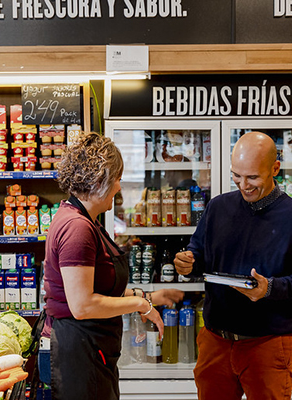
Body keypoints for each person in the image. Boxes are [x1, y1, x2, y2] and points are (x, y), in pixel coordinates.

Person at [174, 131, 292, 400]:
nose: (243, 185)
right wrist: (187, 262)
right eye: (237, 175)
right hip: (215, 341)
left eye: (253, 177)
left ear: (275, 169)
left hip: (269, 345)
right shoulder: (217, 207)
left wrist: (270, 288)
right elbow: (198, 254)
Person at [44, 132, 184, 400]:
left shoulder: (85, 220)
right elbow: (83, 305)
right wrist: (141, 305)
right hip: (81, 352)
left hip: (91, 349)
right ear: (100, 180)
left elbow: (100, 287)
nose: (119, 187)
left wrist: (147, 297)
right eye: (117, 178)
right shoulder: (77, 228)